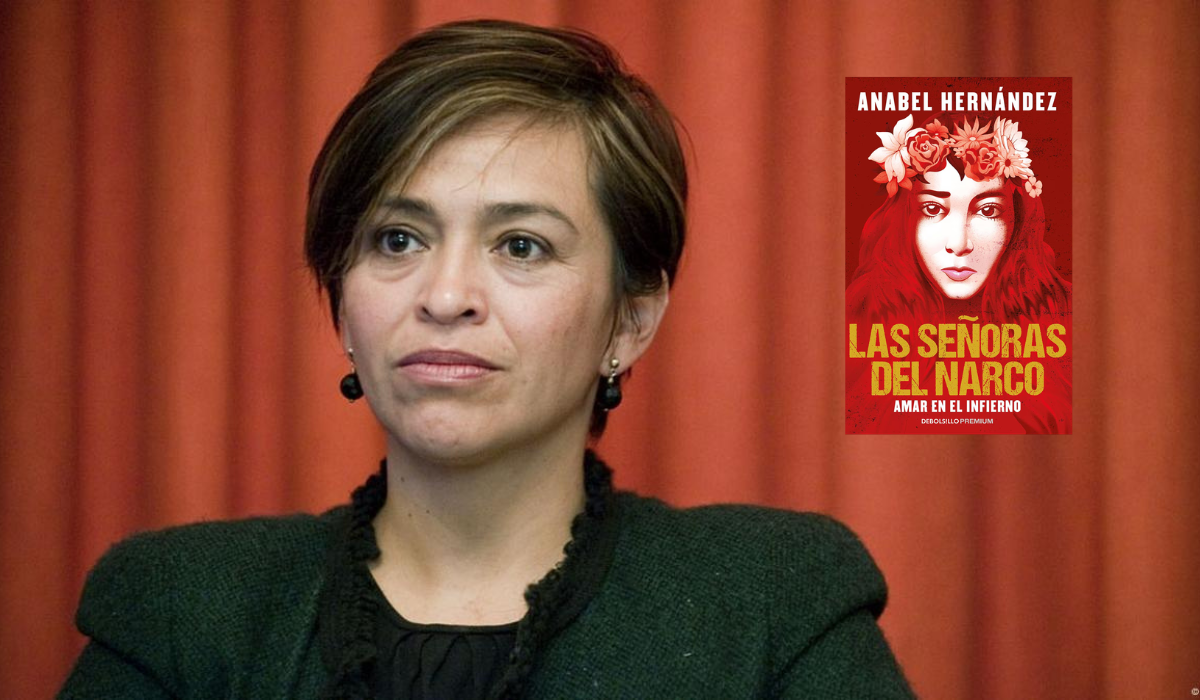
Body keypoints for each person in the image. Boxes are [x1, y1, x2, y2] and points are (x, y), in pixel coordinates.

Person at [61, 20, 914, 698]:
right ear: (343, 303)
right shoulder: (178, 611)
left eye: (521, 245)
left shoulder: (773, 608)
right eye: (398, 239)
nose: (445, 295)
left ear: (630, 322)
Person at [846, 113, 1072, 434]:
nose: (959, 244)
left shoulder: (1067, 320)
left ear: (1018, 220)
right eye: (932, 209)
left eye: (988, 210)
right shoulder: (855, 320)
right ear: (903, 220)